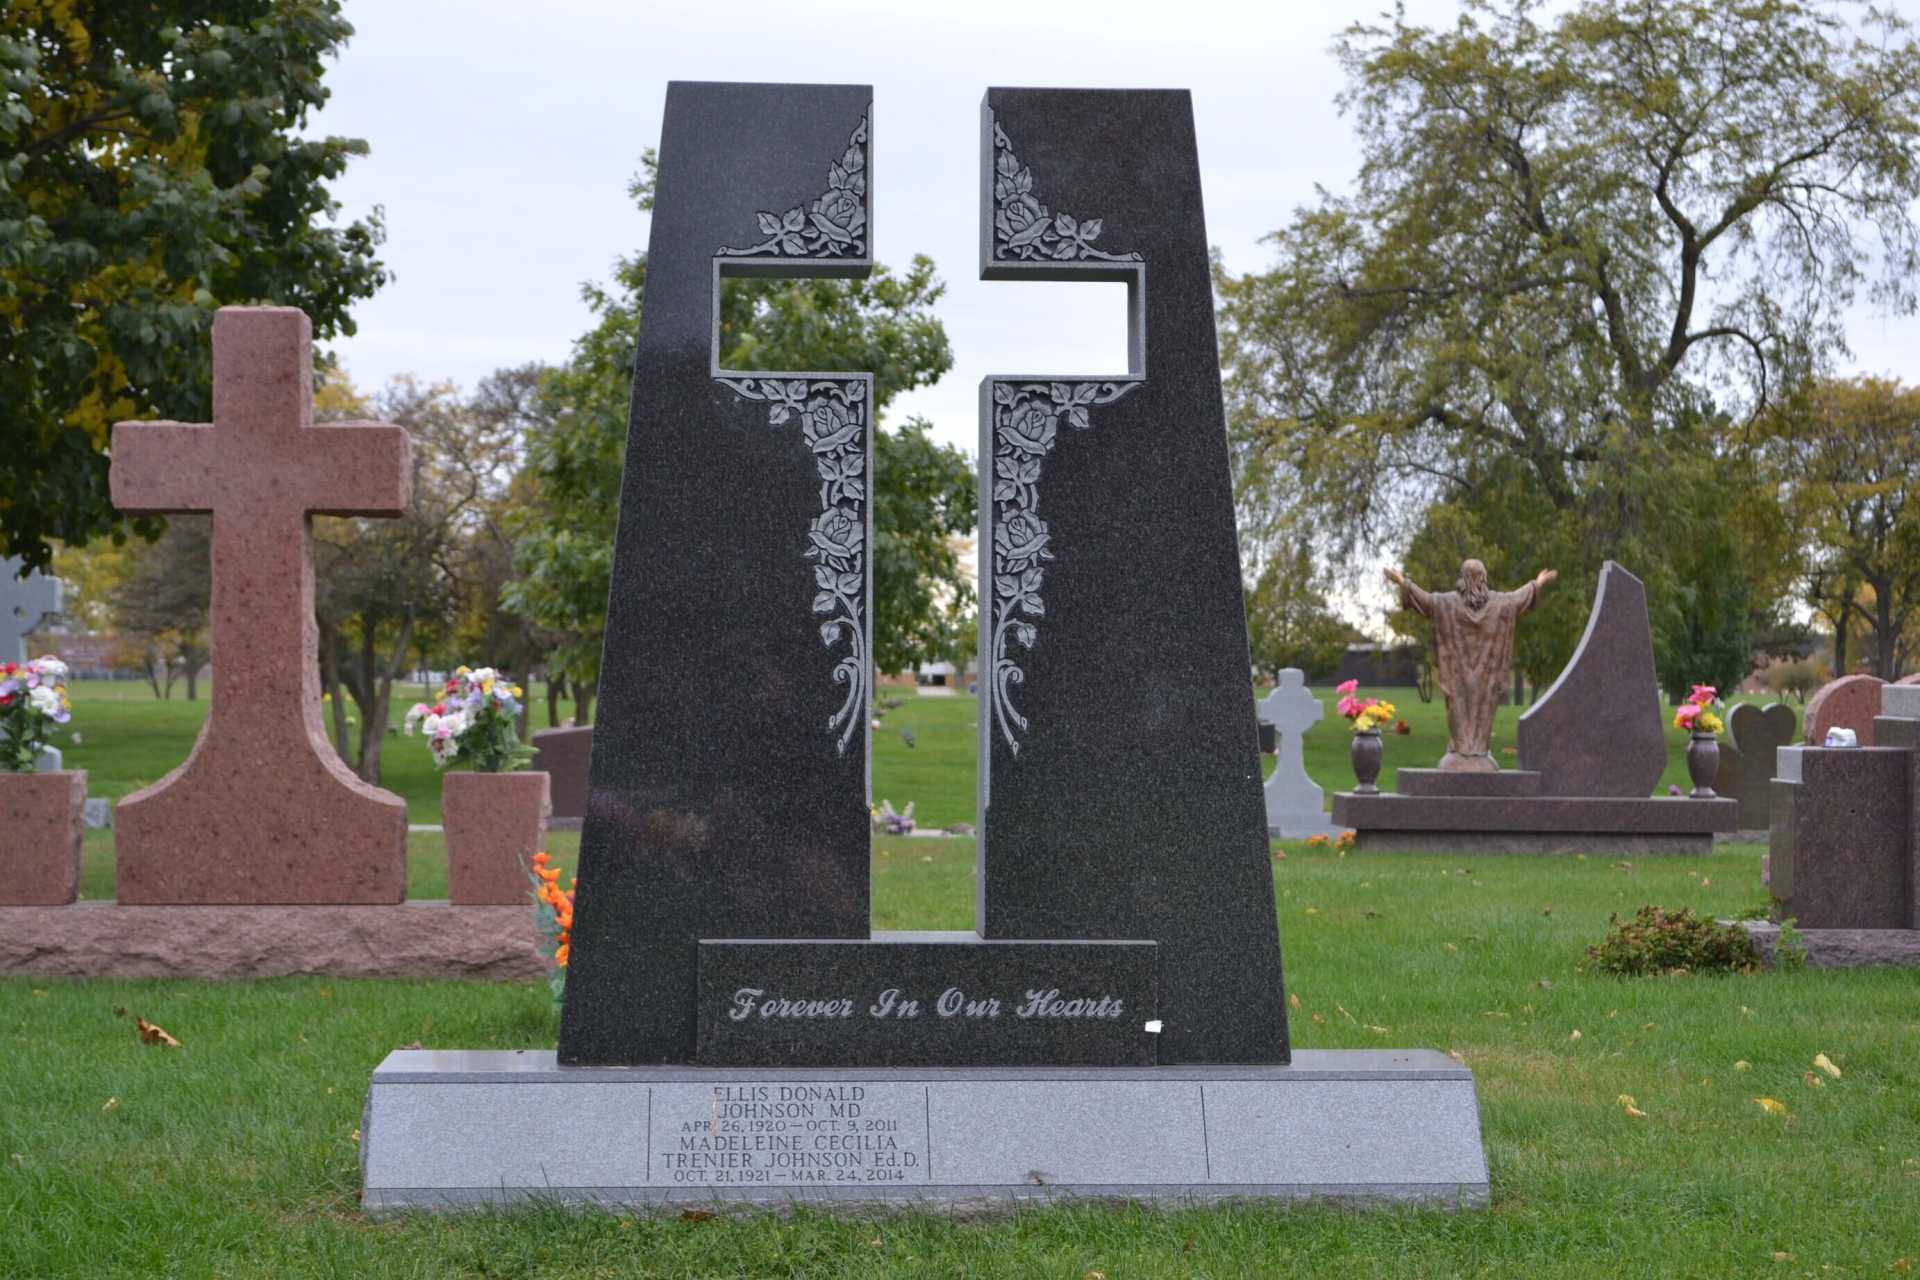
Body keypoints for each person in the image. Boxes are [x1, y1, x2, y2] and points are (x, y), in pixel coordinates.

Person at [1385, 560, 1556, 771]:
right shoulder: (1499, 603)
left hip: (1456, 676)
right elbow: (1518, 598)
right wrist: (1537, 583)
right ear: (1483, 578)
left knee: (1459, 710)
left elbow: (1425, 600)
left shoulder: (1446, 603)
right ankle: (1476, 753)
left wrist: (1403, 581)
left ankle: (1463, 752)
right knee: (1482, 709)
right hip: (1486, 676)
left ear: (1463, 578)